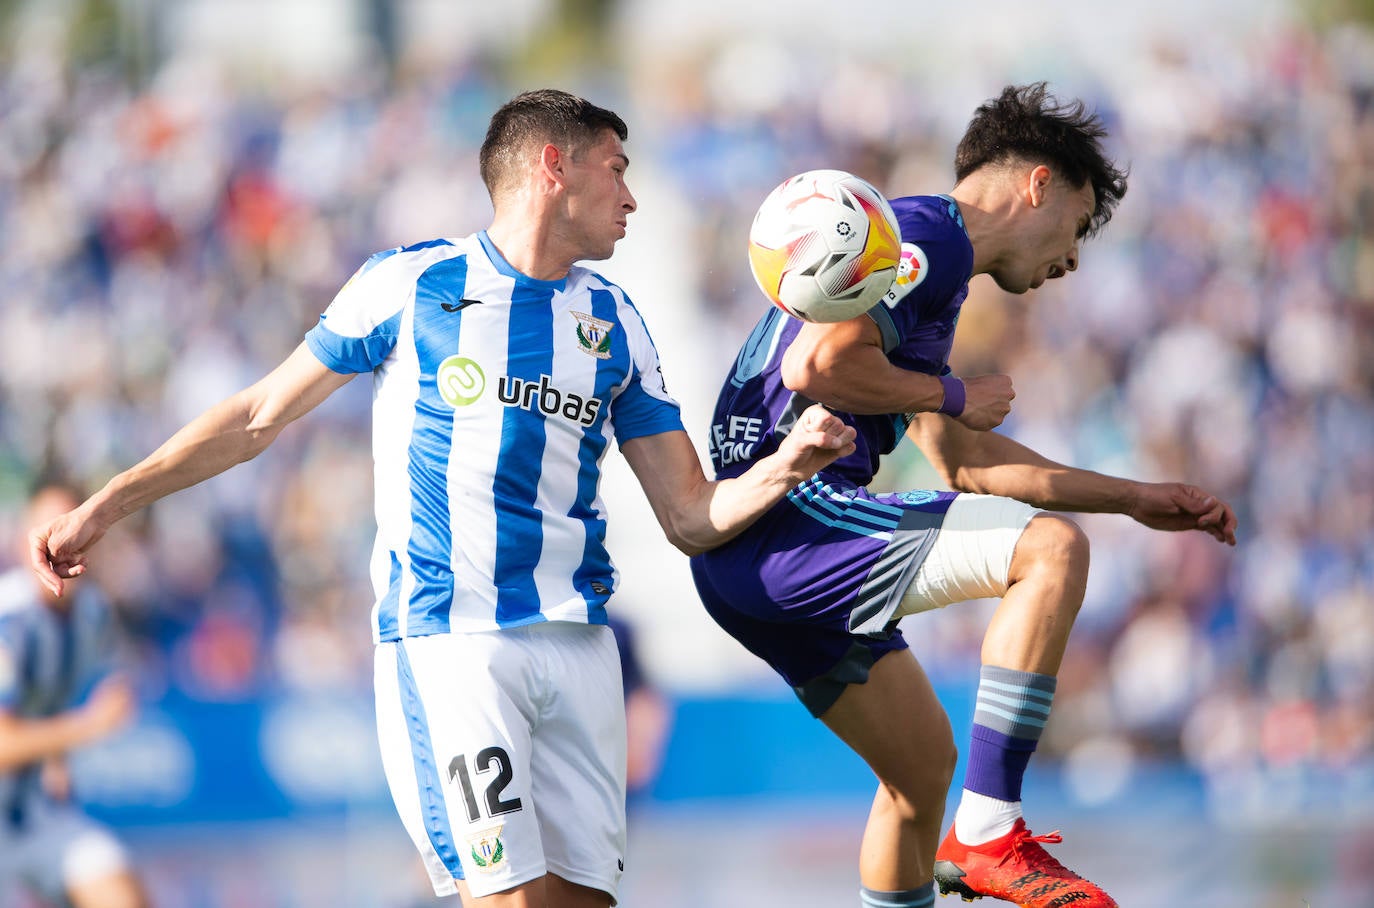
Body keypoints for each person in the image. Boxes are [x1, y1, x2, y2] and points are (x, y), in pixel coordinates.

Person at [29, 89, 855, 908]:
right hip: (452, 639)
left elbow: (687, 513)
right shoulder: (409, 284)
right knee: (506, 901)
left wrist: (789, 462)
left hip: (579, 645)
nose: (632, 196)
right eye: (616, 169)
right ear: (553, 167)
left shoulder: (615, 321)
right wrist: (106, 505)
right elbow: (255, 417)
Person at [689, 82, 1238, 908]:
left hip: (751, 552)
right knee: (1048, 551)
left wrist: (1132, 497)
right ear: (1037, 184)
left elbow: (964, 464)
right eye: (1081, 224)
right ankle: (990, 830)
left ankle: (969, 824)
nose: (1075, 257)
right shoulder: (928, 238)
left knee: (919, 775)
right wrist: (949, 393)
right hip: (787, 520)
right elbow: (817, 366)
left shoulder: (928, 267)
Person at [1, 485, 150, 908]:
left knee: (119, 891)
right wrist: (88, 726)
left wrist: (55, 759)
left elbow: (69, 692)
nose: (56, 545)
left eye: (68, 528)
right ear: (22, 539)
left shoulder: (93, 614)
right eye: (44, 530)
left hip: (31, 811)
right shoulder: (9, 622)